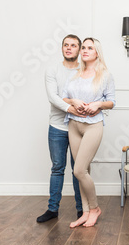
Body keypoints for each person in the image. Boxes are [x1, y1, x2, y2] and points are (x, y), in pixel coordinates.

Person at [37, 34, 96, 223]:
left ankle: (83, 210)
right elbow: (52, 97)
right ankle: (52, 209)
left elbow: (92, 95)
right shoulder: (52, 69)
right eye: (65, 45)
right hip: (57, 126)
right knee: (57, 168)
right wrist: (70, 107)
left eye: (73, 45)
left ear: (79, 49)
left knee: (79, 169)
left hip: (80, 127)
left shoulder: (85, 70)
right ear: (62, 48)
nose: (69, 48)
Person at [63, 37, 116, 228]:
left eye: (89, 48)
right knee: (82, 171)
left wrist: (98, 104)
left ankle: (94, 208)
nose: (85, 51)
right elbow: (64, 97)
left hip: (93, 125)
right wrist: (73, 102)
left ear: (97, 52)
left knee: (79, 170)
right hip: (74, 125)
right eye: (83, 47)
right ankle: (85, 212)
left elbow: (111, 101)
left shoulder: (105, 75)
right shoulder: (75, 74)